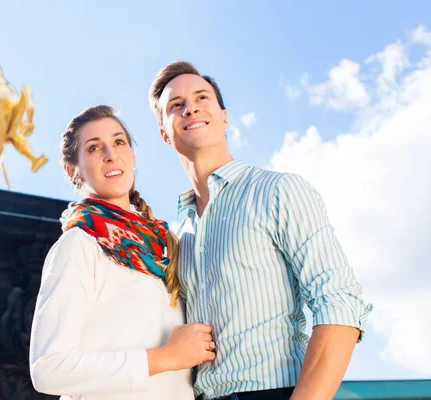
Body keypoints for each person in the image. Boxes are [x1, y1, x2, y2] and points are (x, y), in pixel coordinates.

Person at [148, 62, 373, 400]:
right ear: (166, 133)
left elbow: (340, 304)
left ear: (224, 117)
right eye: (175, 105)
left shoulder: (278, 190)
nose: (190, 107)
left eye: (201, 97)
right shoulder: (177, 236)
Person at [29, 105, 216, 400]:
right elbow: (48, 368)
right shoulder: (79, 245)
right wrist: (167, 357)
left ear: (131, 153)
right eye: (94, 148)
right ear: (72, 170)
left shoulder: (165, 245)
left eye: (119, 142)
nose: (110, 154)